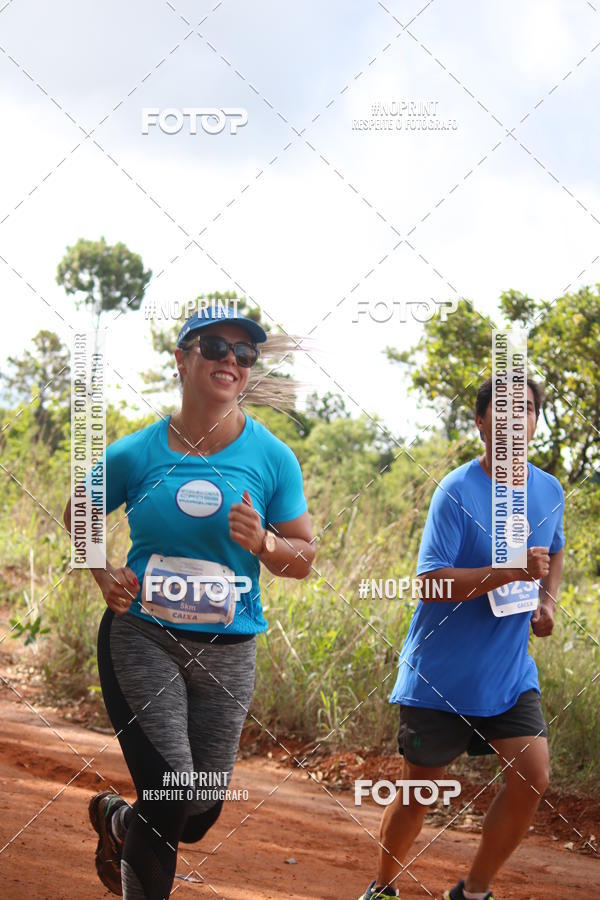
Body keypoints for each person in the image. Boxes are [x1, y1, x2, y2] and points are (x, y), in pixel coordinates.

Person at [63, 306, 315, 898]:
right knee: (171, 791)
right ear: (182, 359)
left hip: (229, 651)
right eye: (215, 347)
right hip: (142, 636)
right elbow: (80, 511)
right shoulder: (138, 452)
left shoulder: (272, 458)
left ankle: (118, 822)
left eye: (243, 353)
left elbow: (303, 557)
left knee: (197, 814)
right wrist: (103, 574)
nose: (231, 360)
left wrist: (265, 542)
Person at [359, 378, 565, 900]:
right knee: (421, 790)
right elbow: (429, 582)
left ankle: (473, 891)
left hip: (508, 674)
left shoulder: (549, 491)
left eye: (527, 410)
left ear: (536, 423)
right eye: (503, 410)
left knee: (532, 776)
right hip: (441, 677)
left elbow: (554, 550)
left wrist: (546, 602)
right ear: (480, 423)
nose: (516, 419)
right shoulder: (455, 491)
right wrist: (508, 572)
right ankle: (383, 887)